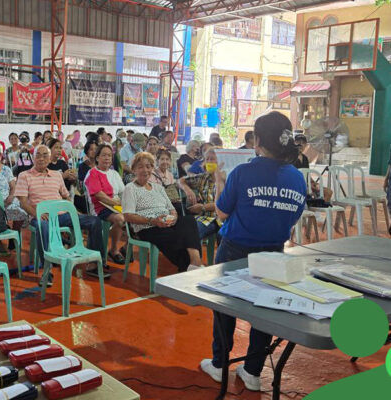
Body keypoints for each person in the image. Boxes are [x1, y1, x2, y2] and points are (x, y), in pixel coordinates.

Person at [199, 111, 306, 392]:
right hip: (273, 252)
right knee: (264, 310)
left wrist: (220, 179)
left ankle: (220, 363)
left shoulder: (243, 173)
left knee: (225, 308)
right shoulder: (296, 178)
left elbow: (221, 213)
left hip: (235, 250)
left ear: (257, 140)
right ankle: (253, 371)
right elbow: (293, 218)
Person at [15, 145, 106, 285]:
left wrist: (74, 212)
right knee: (43, 227)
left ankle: (93, 264)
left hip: (62, 215)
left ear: (50, 158)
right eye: (38, 155)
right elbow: (22, 202)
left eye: (45, 155)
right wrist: (37, 214)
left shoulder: (56, 175)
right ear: (33, 158)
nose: (41, 158)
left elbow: (66, 197)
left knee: (94, 221)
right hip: (41, 216)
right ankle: (47, 270)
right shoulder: (24, 176)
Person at [122, 152, 202, 272]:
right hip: (147, 227)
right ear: (134, 170)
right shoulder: (130, 188)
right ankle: (188, 267)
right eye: (141, 167)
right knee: (173, 236)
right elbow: (128, 216)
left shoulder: (158, 188)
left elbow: (172, 209)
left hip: (165, 221)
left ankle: (195, 262)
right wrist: (153, 220)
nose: (145, 170)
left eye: (148, 166)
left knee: (189, 220)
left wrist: (173, 217)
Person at [84, 144, 126, 268]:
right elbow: (99, 195)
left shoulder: (114, 174)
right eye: (104, 155)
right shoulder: (93, 173)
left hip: (116, 206)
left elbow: (123, 192)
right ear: (97, 158)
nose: (107, 158)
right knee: (120, 219)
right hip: (100, 207)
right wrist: (116, 203)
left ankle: (123, 247)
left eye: (109, 155)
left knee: (137, 217)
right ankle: (114, 249)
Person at [181, 148, 221, 239]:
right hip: (205, 218)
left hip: (223, 219)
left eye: (212, 159)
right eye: (207, 159)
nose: (209, 162)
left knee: (224, 234)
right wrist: (188, 190)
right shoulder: (202, 177)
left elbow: (224, 204)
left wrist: (203, 207)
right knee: (188, 231)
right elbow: (180, 181)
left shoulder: (226, 179)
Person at [149, 149, 185, 215]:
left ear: (170, 161)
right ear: (157, 161)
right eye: (162, 159)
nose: (165, 162)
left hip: (171, 202)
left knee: (180, 206)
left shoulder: (170, 174)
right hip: (158, 203)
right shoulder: (152, 174)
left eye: (167, 159)